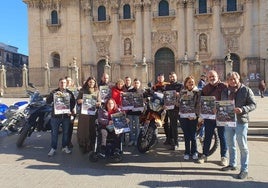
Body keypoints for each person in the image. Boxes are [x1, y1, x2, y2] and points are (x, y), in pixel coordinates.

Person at [220, 72, 256, 179]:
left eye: (234, 79)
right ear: (227, 80)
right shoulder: (225, 91)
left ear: (238, 78)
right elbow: (222, 103)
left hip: (241, 121)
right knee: (230, 144)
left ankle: (244, 169)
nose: (232, 81)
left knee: (242, 146)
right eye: (230, 79)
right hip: (228, 121)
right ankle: (232, 164)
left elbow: (253, 104)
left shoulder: (246, 90)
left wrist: (243, 109)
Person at [198, 70, 228, 166]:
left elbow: (229, 100)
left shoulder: (224, 87)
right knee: (208, 137)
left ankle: (224, 157)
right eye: (210, 76)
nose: (212, 78)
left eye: (213, 76)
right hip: (209, 118)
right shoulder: (205, 88)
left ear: (217, 76)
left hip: (221, 116)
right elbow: (202, 103)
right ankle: (204, 155)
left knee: (222, 137)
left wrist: (218, 107)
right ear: (207, 78)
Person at [46, 78, 76, 156]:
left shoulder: (69, 93)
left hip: (66, 116)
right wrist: (53, 96)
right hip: (55, 117)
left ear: (66, 84)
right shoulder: (54, 92)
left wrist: (70, 110)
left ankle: (64, 147)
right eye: (61, 83)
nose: (63, 84)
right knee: (54, 133)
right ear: (59, 84)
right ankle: (53, 148)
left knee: (65, 133)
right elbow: (47, 101)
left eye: (64, 83)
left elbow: (73, 102)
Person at [76, 76, 101, 153]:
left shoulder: (97, 91)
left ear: (95, 83)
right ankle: (83, 145)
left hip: (93, 114)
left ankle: (92, 145)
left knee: (92, 129)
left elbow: (99, 102)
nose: (91, 83)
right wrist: (80, 101)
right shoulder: (82, 90)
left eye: (93, 82)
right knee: (84, 129)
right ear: (87, 82)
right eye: (90, 82)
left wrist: (97, 103)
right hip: (84, 114)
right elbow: (77, 101)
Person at [179, 76, 200, 160]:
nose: (191, 83)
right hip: (183, 116)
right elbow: (178, 103)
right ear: (186, 84)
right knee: (186, 135)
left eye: (192, 82)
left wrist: (195, 114)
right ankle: (187, 152)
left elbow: (199, 104)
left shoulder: (198, 92)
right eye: (189, 82)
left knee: (193, 135)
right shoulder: (182, 92)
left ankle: (194, 151)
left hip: (193, 116)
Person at [164, 72, 183, 150]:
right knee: (173, 125)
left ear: (176, 77)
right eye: (170, 77)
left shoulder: (180, 85)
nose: (172, 78)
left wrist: (179, 94)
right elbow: (165, 96)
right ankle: (175, 143)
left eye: (173, 77)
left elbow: (184, 95)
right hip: (171, 109)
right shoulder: (167, 86)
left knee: (182, 125)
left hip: (179, 108)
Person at [152, 73, 170, 145]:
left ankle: (168, 138)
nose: (160, 79)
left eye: (161, 77)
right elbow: (152, 94)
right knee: (156, 121)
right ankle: (154, 138)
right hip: (157, 107)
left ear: (163, 78)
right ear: (157, 78)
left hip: (165, 106)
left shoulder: (167, 85)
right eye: (159, 77)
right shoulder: (155, 86)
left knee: (165, 123)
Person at [127, 78, 143, 146]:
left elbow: (145, 100)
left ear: (140, 84)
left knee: (137, 126)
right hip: (130, 112)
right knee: (130, 127)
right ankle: (131, 140)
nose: (136, 84)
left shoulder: (142, 91)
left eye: (137, 83)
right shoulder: (129, 91)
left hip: (137, 112)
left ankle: (137, 140)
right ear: (133, 84)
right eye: (135, 83)